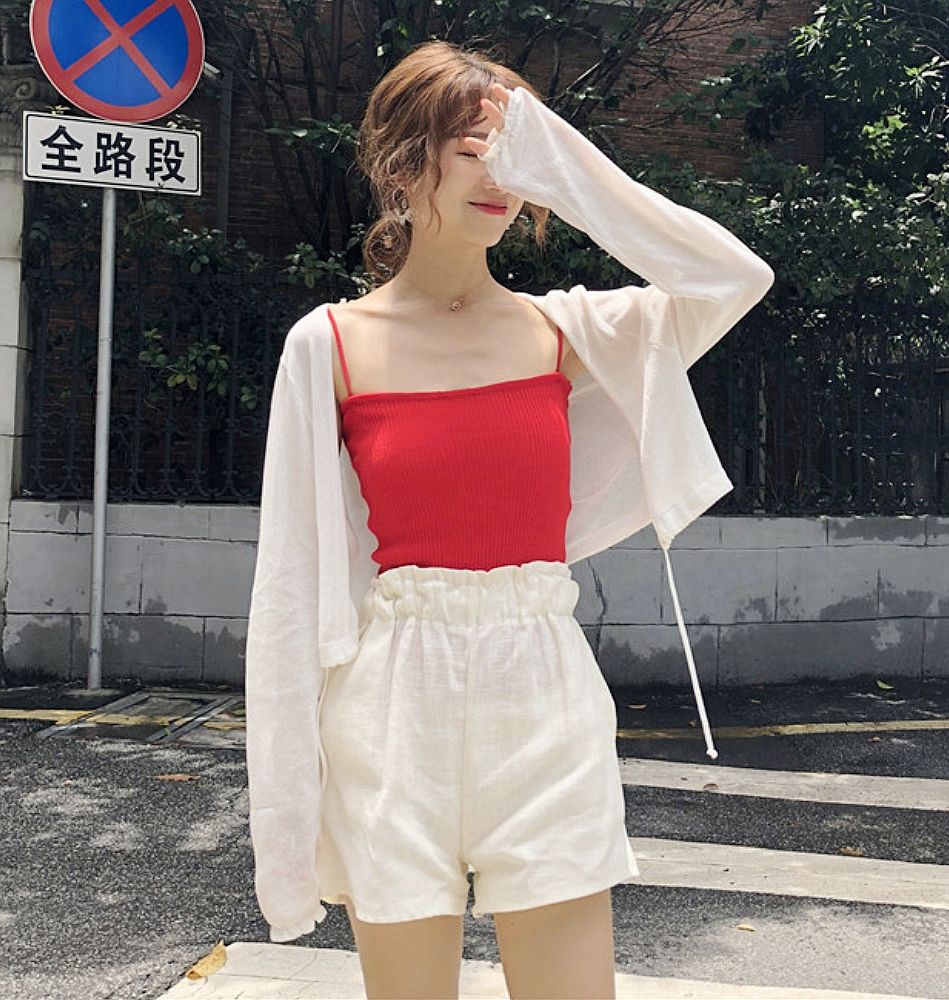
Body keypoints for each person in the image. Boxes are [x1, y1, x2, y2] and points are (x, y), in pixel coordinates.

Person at [244, 37, 775, 1000]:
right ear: (404, 164)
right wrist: (284, 831)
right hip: (390, 712)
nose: (500, 178)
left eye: (515, 154)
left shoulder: (567, 332)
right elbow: (287, 588)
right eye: (472, 151)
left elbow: (733, 277)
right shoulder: (328, 346)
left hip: (543, 696)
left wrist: (562, 165)